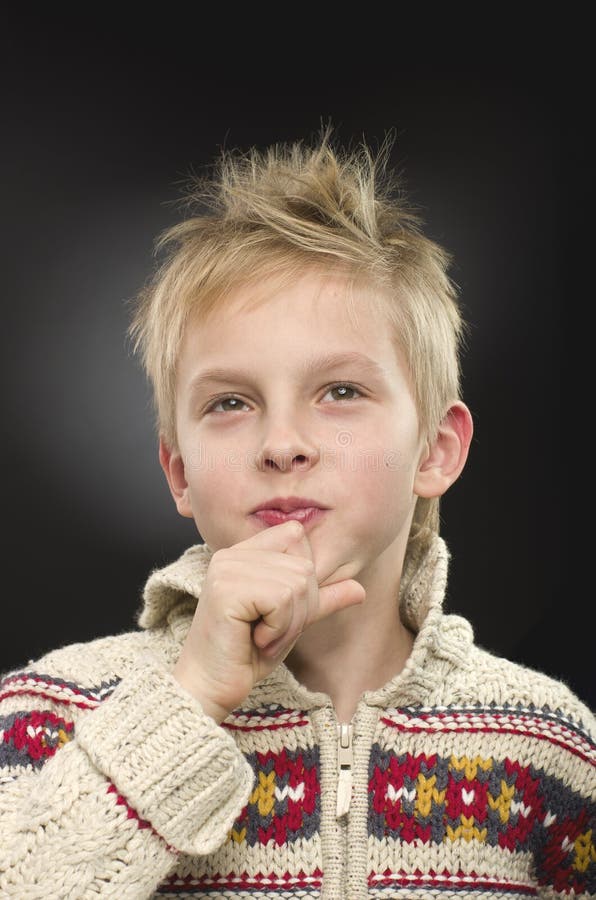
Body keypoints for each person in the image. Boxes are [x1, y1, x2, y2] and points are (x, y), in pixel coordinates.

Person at [1, 125, 593, 900]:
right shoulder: (50, 717)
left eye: (341, 391)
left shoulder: (547, 744)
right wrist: (185, 702)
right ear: (179, 473)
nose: (282, 444)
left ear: (435, 451)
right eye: (230, 402)